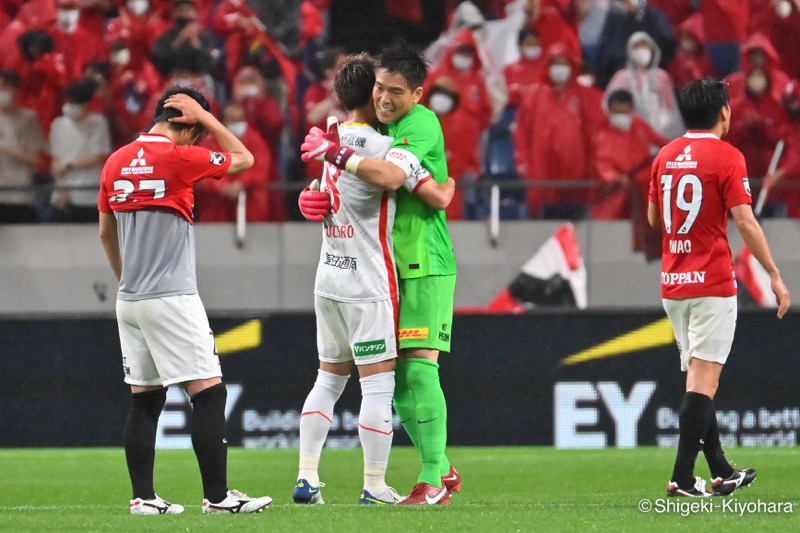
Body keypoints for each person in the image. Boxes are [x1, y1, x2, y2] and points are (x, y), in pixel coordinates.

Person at [98, 87, 272, 515]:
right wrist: (210, 120)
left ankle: (144, 498)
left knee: (145, 399)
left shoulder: (115, 160)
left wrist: (128, 282)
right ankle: (217, 499)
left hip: (130, 300)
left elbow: (105, 233)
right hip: (173, 298)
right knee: (209, 392)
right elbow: (245, 160)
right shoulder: (179, 157)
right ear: (188, 125)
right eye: (197, 133)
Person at [301, 39, 461, 506]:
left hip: (424, 262)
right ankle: (442, 467)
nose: (384, 99)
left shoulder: (420, 123)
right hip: (385, 268)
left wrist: (335, 156)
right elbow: (428, 192)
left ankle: (432, 477)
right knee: (396, 380)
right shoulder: (374, 128)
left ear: (416, 93)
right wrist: (311, 197)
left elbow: (399, 181)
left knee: (419, 371)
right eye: (378, 89)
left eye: (395, 91)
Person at [647, 78, 790, 497]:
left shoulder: (665, 155)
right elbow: (744, 220)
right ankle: (682, 478)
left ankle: (722, 471)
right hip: (711, 281)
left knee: (697, 378)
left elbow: (657, 222)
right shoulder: (728, 156)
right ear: (723, 113)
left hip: (674, 284)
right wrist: (774, 274)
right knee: (704, 383)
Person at [50, 79, 112, 223]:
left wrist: (69, 166)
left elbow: (98, 156)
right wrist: (60, 185)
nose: (70, 107)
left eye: (74, 103)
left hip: (88, 194)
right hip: (63, 196)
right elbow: (55, 159)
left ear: (86, 104)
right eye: (68, 102)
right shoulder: (58, 125)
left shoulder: (98, 123)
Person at [604, 31, 685, 140]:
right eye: (637, 47)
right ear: (630, 51)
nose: (641, 51)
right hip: (631, 135)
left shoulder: (661, 76)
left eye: (644, 46)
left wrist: (667, 126)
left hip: (660, 132)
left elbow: (670, 107)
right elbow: (609, 105)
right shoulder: (622, 76)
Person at [0, 69, 47, 223]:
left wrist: (4, 150)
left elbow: (34, 159)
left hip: (18, 195)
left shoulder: (28, 119)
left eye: (5, 87)